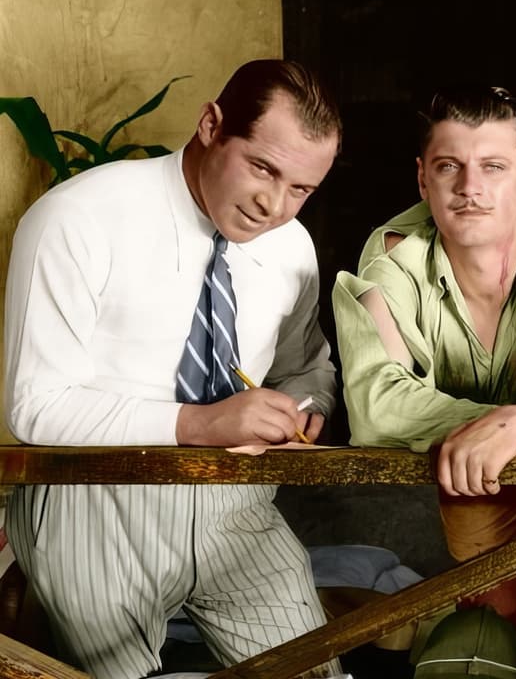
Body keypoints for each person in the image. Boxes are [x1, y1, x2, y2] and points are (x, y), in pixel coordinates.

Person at [3, 59, 344, 679]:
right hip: (94, 505)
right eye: (262, 168)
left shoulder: (292, 246)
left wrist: (303, 408)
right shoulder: (78, 217)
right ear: (211, 125)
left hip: (236, 508)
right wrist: (201, 424)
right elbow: (35, 406)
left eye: (301, 189)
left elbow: (308, 367)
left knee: (315, 672)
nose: (273, 205)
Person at [332, 86, 516, 677]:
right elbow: (376, 406)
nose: (470, 187)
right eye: (450, 166)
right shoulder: (394, 256)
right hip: (470, 461)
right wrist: (499, 428)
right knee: (493, 618)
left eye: (494, 167)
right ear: (423, 179)